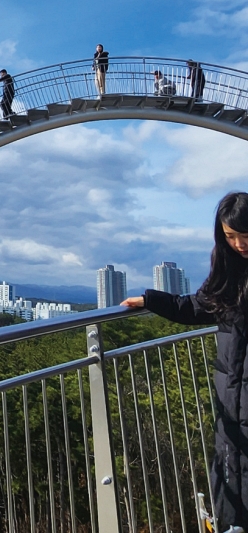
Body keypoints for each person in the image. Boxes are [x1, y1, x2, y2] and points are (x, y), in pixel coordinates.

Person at [122, 191, 248, 532]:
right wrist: (150, 300)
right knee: (230, 462)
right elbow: (196, 306)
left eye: (244, 235)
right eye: (230, 236)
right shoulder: (229, 272)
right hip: (232, 395)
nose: (239, 244)